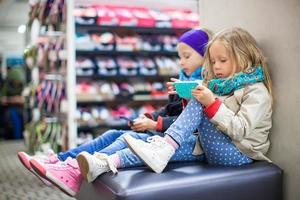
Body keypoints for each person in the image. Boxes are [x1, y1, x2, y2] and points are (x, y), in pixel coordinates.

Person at [19, 28, 212, 197]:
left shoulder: (202, 87)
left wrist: (156, 124)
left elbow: (190, 121)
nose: (181, 62)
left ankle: (73, 171)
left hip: (178, 140)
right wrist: (150, 117)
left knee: (124, 139)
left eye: (187, 56)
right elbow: (170, 109)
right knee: (112, 134)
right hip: (166, 134)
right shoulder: (183, 80)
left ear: (204, 56)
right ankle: (60, 161)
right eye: (180, 57)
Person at [124, 27, 273, 174]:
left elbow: (239, 130)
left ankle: (166, 146)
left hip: (239, 155)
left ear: (243, 57)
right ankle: (106, 162)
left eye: (222, 60)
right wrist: (187, 96)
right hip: (214, 146)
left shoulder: (257, 92)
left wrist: (210, 103)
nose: (216, 67)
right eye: (213, 62)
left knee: (199, 98)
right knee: (150, 149)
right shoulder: (220, 84)